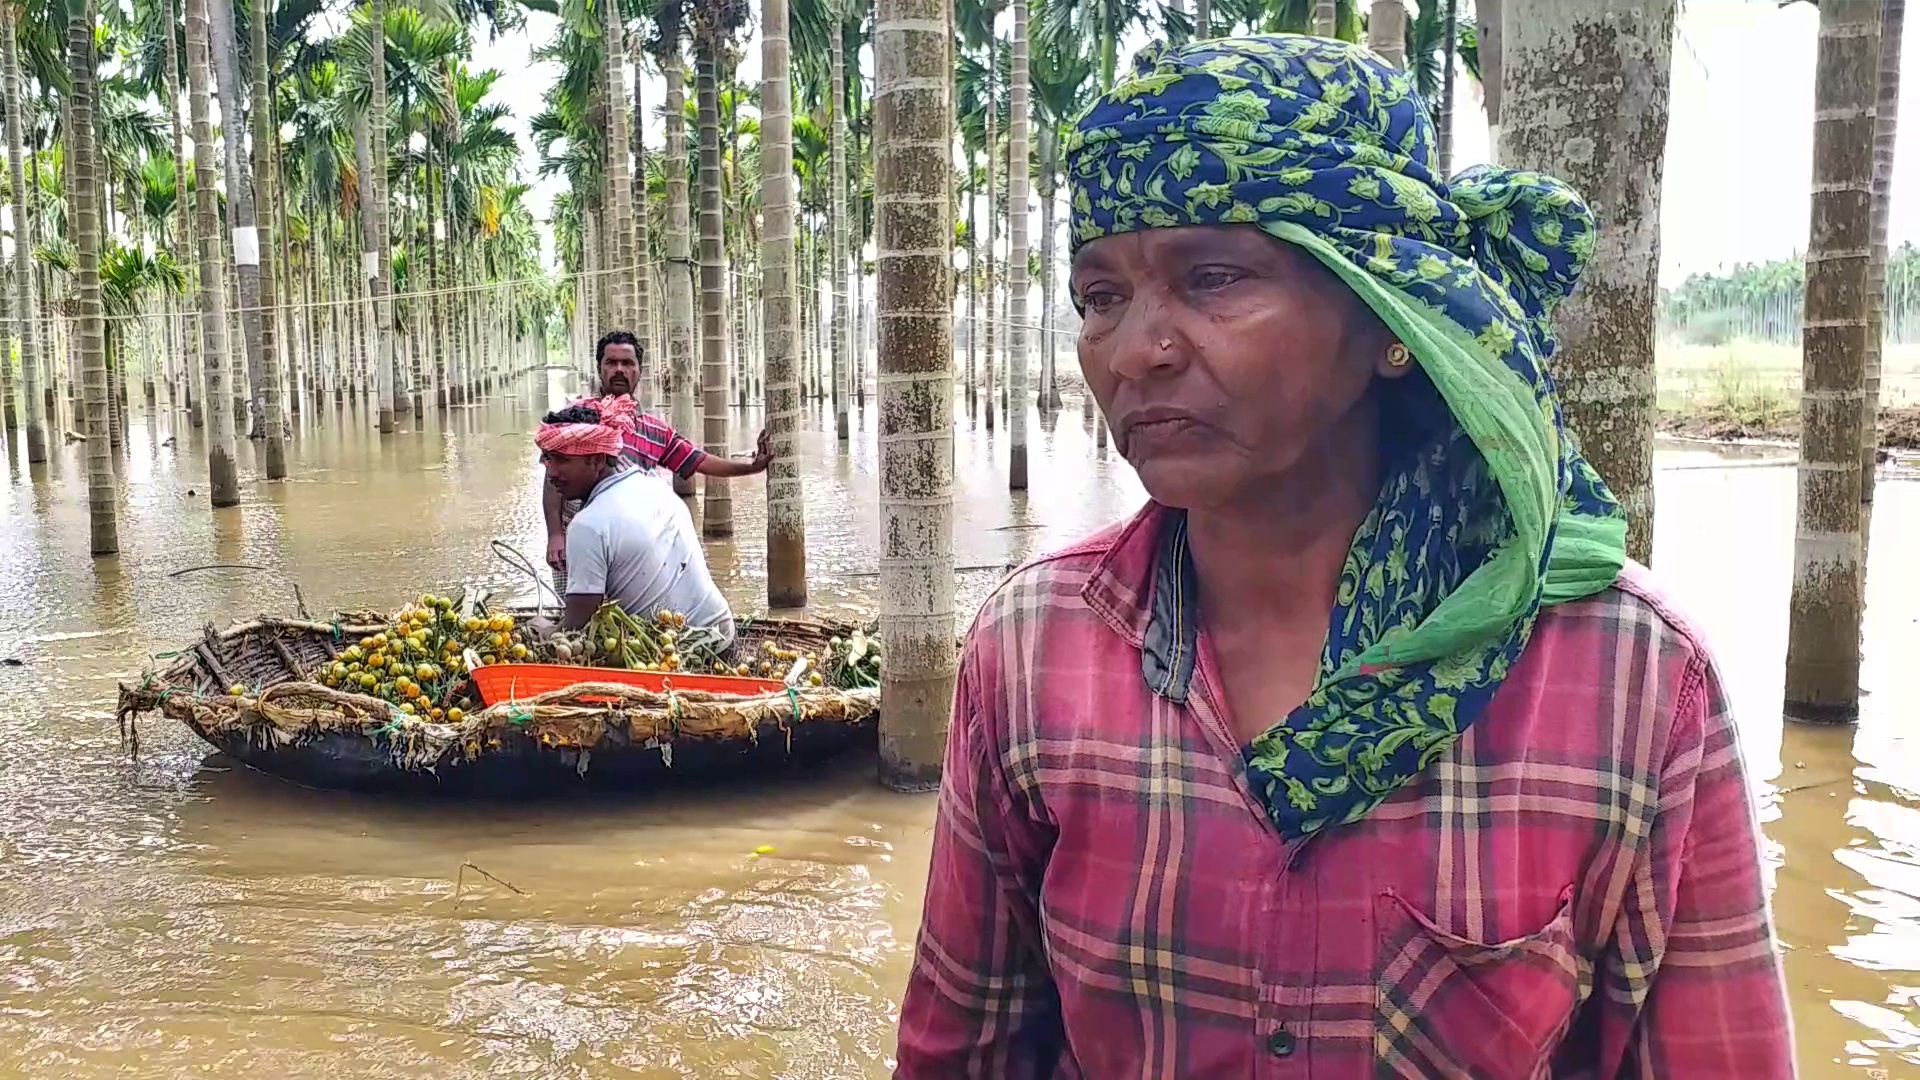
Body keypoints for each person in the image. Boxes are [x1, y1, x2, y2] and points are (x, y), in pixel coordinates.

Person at [895, 36, 1792, 1079]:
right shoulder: (1031, 649)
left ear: (1388, 320)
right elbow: (964, 1046)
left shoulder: (1629, 682)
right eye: (1101, 296)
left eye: (1215, 278)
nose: (1138, 349)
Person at [544, 329, 773, 591]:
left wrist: (752, 467)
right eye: (612, 362)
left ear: (639, 371)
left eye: (628, 363)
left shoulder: (653, 430)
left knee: (625, 618)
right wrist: (555, 535)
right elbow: (552, 479)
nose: (619, 370)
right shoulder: (575, 418)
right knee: (575, 614)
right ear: (599, 369)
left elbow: (697, 460)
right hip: (577, 538)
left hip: (631, 543)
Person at [536, 405, 735, 646]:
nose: (551, 473)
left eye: (562, 460)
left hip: (680, 654)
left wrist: (543, 628)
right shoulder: (652, 484)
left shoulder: (587, 525)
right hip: (725, 633)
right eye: (548, 459)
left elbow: (575, 630)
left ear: (598, 460)